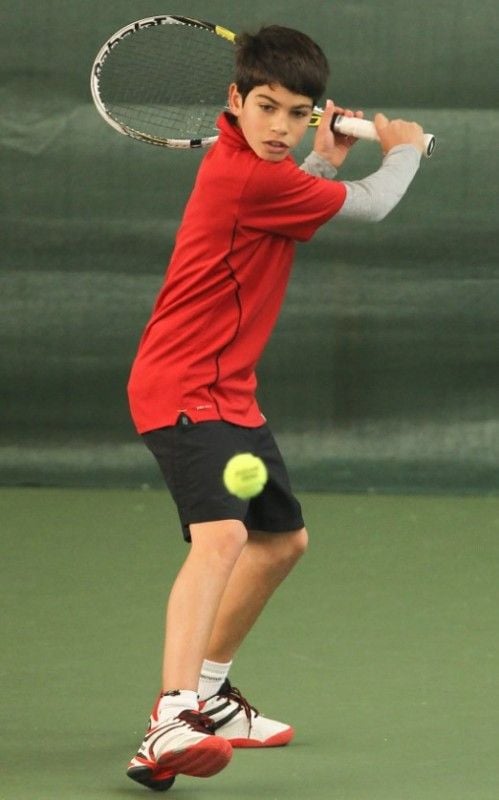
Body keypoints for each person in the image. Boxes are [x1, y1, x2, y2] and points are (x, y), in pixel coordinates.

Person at [125, 24, 425, 791]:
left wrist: (325, 157)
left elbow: (302, 207)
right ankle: (170, 717)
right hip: (180, 385)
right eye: (266, 108)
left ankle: (214, 696)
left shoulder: (268, 176)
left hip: (229, 389)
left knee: (281, 543)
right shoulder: (244, 176)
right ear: (235, 100)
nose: (281, 127)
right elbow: (367, 207)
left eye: (298, 113)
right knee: (222, 535)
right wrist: (405, 147)